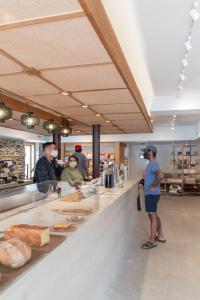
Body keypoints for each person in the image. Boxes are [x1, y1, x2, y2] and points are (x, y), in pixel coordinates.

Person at [139, 145, 166, 250]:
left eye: (146, 151)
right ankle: (161, 235)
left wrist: (154, 185)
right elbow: (150, 177)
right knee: (154, 215)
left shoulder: (153, 163)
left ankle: (152, 241)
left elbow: (160, 175)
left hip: (151, 195)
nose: (144, 153)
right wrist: (143, 182)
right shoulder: (150, 164)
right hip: (151, 194)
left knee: (153, 217)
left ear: (151, 152)